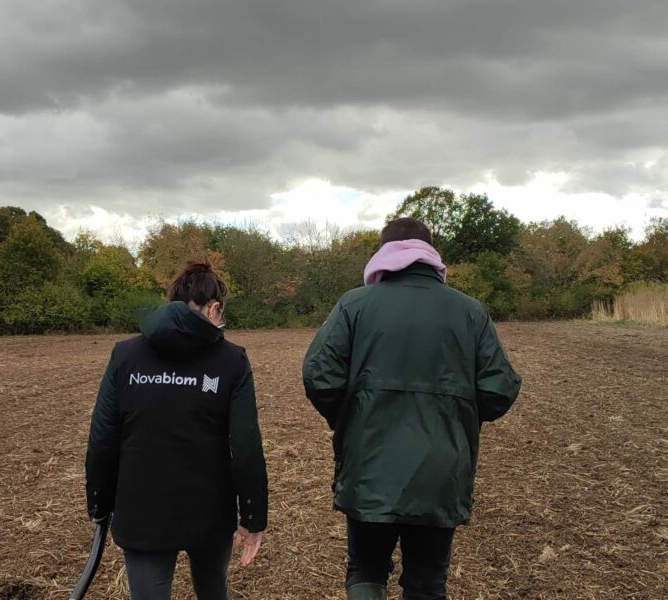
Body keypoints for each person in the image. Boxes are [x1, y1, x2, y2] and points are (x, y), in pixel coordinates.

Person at [302, 218, 522, 600]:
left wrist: (350, 418)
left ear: (382, 255)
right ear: (431, 254)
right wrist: (457, 416)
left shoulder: (354, 305)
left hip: (369, 465)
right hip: (441, 471)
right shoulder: (469, 312)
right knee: (427, 582)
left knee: (367, 570)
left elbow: (319, 374)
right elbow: (499, 387)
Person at [84, 260, 268, 600]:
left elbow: (103, 436)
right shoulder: (232, 359)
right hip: (210, 511)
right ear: (214, 308)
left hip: (141, 510)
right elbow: (245, 445)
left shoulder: (126, 355)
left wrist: (99, 500)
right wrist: (253, 516)